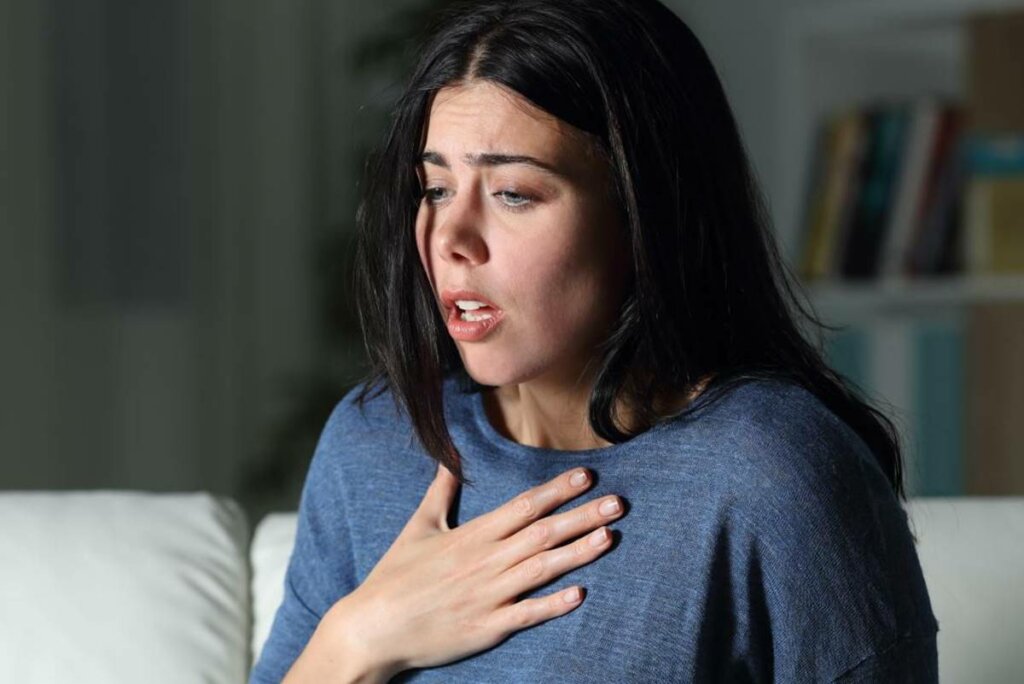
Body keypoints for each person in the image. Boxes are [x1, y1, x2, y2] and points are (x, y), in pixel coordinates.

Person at [250, 0, 939, 681]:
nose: (450, 240)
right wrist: (358, 638)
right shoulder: (373, 444)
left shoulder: (774, 475)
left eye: (514, 193)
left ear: (641, 214)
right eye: (435, 189)